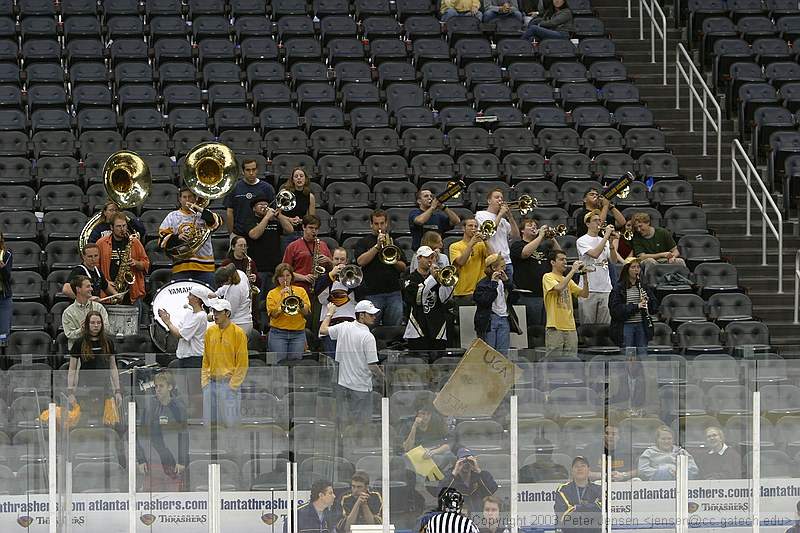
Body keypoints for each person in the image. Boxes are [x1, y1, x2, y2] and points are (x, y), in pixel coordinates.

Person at [319, 299, 385, 429]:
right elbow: (372, 366)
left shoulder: (344, 326)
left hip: (343, 385)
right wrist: (383, 376)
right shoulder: (368, 336)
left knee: (344, 425)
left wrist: (329, 313)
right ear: (362, 315)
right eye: (371, 314)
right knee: (362, 427)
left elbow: (322, 330)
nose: (374, 317)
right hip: (361, 388)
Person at [159, 186, 223, 287]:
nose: (187, 200)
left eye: (190, 197)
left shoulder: (203, 214)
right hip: (181, 267)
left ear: (195, 198)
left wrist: (199, 210)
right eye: (184, 197)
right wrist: (178, 237)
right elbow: (161, 240)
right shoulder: (172, 216)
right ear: (180, 199)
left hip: (205, 267)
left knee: (209, 300)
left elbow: (218, 222)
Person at [201, 298, 249, 434]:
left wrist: (232, 386)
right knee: (209, 425)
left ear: (227, 313)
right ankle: (212, 452)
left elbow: (242, 363)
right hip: (211, 383)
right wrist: (205, 383)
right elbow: (206, 359)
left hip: (228, 384)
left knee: (231, 424)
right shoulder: (210, 332)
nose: (215, 315)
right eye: (213, 311)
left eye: (218, 312)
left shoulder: (238, 333)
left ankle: (233, 452)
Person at [135, 371, 189, 491]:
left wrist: (182, 461)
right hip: (152, 461)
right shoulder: (150, 407)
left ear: (170, 387)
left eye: (161, 386)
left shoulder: (179, 408)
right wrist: (141, 459)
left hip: (173, 462)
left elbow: (184, 436)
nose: (158, 389)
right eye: (156, 386)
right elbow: (141, 435)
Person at [355, 209, 407, 328]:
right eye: (376, 223)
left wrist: (392, 259)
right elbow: (360, 262)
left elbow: (403, 267)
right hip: (372, 293)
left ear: (386, 223)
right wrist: (377, 247)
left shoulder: (394, 242)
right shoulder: (363, 242)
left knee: (394, 328)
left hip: (393, 292)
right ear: (371, 224)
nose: (379, 227)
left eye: (382, 223)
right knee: (370, 328)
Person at [66, 311, 123, 420]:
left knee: (107, 421)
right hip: (85, 387)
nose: (96, 326)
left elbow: (113, 367)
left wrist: (117, 391)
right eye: (92, 323)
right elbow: (72, 369)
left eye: (98, 323)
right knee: (84, 420)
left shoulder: (108, 342)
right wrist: (70, 392)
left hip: (105, 387)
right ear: (87, 324)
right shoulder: (79, 343)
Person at [282, 214, 332, 337]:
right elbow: (284, 271)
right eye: (310, 228)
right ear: (303, 227)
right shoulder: (293, 246)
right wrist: (303, 277)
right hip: (301, 290)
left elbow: (332, 269)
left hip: (320, 292)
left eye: (316, 228)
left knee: (317, 325)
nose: (313, 231)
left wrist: (328, 260)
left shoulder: (323, 245)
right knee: (304, 325)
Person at [404, 246, 455, 361]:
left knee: (438, 364)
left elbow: (444, 299)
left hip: (437, 325)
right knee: (419, 364)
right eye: (427, 257)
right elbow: (417, 298)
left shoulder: (436, 277)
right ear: (419, 258)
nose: (429, 260)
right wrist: (432, 278)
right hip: (418, 326)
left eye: (431, 257)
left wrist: (445, 283)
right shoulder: (410, 278)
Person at [510, 218, 560, 328]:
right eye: (529, 225)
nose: (533, 227)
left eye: (535, 225)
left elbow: (560, 257)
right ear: (522, 230)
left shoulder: (543, 248)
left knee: (547, 328)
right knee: (533, 328)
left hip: (545, 294)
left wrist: (552, 239)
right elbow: (526, 253)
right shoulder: (517, 245)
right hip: (528, 295)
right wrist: (541, 236)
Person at [96, 212, 150, 311]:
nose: (122, 229)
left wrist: (136, 263)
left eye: (124, 226)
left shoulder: (134, 242)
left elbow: (146, 263)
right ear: (111, 227)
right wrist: (106, 282)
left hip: (132, 293)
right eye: (118, 226)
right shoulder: (101, 243)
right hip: (109, 293)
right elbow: (96, 268)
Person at [608, 259, 659, 356]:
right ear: (627, 269)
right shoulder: (619, 288)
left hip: (641, 324)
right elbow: (615, 310)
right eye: (633, 267)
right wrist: (636, 306)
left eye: (638, 267)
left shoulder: (643, 286)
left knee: (642, 354)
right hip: (626, 326)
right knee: (627, 355)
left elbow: (654, 308)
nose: (636, 270)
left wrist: (648, 301)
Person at [576, 211, 618, 325]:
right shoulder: (581, 240)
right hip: (588, 289)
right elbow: (595, 254)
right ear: (588, 224)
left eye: (600, 220)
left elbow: (614, 261)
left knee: (604, 327)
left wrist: (611, 243)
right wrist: (605, 237)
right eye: (595, 220)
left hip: (605, 288)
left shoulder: (603, 240)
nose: (598, 223)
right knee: (588, 327)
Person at [542, 251, 588, 357]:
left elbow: (584, 294)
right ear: (553, 263)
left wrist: (585, 276)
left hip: (570, 326)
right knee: (553, 360)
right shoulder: (548, 276)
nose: (565, 262)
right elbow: (559, 288)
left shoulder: (567, 280)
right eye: (561, 259)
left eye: (566, 259)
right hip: (555, 326)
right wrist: (572, 271)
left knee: (571, 360)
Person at [473, 254, 520, 355]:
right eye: (502, 267)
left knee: (503, 353)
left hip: (504, 318)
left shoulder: (505, 281)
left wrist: (508, 282)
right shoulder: (482, 284)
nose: (505, 269)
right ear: (493, 268)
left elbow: (515, 298)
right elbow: (485, 301)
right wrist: (493, 284)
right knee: (489, 354)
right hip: (490, 320)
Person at [315, 247, 356, 357]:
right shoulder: (324, 278)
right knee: (332, 361)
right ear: (332, 260)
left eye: (342, 259)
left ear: (347, 261)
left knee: (348, 360)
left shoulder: (355, 277)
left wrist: (348, 278)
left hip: (349, 326)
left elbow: (361, 296)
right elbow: (320, 297)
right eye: (336, 259)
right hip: (329, 327)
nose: (339, 262)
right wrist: (330, 275)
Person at [266, 263, 311, 361]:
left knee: (295, 365)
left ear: (292, 276)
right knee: (279, 365)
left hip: (298, 334)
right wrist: (281, 300)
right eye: (281, 276)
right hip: (278, 334)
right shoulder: (272, 293)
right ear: (277, 278)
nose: (285, 279)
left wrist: (298, 301)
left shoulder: (301, 291)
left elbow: (306, 312)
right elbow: (273, 314)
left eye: (287, 275)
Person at [157, 285, 210, 368]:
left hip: (195, 358)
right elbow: (177, 331)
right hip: (185, 356)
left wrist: (167, 322)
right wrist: (168, 321)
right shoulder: (189, 313)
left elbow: (180, 334)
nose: (187, 297)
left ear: (196, 299)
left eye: (190, 295)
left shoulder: (200, 316)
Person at [438, 448, 499, 518]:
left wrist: (478, 470)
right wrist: (455, 471)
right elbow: (440, 493)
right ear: (457, 461)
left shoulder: (481, 476)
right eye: (463, 461)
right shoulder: (449, 477)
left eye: (469, 461)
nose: (466, 464)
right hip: (458, 518)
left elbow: (492, 490)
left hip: (479, 517)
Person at [223, 157, 275, 237]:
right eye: (248, 170)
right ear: (242, 171)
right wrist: (231, 234)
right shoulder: (234, 187)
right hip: (239, 233)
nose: (251, 173)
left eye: (253, 169)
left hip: (261, 233)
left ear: (257, 170)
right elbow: (230, 212)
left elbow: (272, 211)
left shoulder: (267, 188)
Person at [475, 189, 520, 279]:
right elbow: (488, 232)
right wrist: (501, 214)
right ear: (489, 201)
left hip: (506, 261)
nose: (500, 200)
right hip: (492, 260)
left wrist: (510, 217)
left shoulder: (503, 220)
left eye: (501, 198)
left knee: (507, 290)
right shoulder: (481, 215)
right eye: (497, 197)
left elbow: (516, 235)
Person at [449, 218, 493, 312]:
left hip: (481, 292)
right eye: (470, 226)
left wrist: (485, 240)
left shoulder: (481, 245)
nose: (473, 228)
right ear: (463, 228)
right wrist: (471, 244)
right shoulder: (455, 246)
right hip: (463, 293)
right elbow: (461, 262)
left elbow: (494, 258)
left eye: (476, 226)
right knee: (465, 325)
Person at [553, 456, 602, 533]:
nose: (579, 468)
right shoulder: (563, 489)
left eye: (583, 466)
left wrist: (576, 508)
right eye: (576, 466)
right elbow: (563, 515)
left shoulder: (599, 489)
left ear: (589, 470)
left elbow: (604, 511)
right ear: (572, 471)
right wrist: (592, 508)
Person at [245, 196, 284, 290]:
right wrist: (266, 217)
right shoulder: (249, 221)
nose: (264, 206)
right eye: (260, 204)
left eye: (266, 204)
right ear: (254, 208)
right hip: (258, 268)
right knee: (259, 299)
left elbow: (289, 230)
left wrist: (278, 215)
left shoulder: (274, 222)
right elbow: (254, 235)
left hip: (274, 268)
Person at [221, 235, 260, 329]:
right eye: (240, 246)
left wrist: (255, 278)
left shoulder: (249, 262)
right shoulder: (227, 263)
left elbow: (259, 283)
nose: (243, 249)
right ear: (233, 247)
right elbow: (221, 282)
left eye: (245, 246)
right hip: (232, 297)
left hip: (248, 298)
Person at [400, 397, 454, 463]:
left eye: (428, 414)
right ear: (417, 414)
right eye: (423, 413)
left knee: (449, 455)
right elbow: (407, 448)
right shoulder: (407, 424)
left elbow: (448, 445)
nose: (426, 417)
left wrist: (433, 452)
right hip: (415, 455)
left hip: (434, 454)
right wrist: (415, 426)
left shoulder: (436, 422)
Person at [62, 275, 110, 350]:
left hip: (99, 349)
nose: (91, 289)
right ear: (78, 289)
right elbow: (70, 334)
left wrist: (92, 328)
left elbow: (107, 328)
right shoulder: (68, 312)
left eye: (91, 286)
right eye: (88, 286)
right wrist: (82, 330)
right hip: (78, 351)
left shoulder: (99, 307)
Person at [278, 167, 316, 254]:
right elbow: (277, 214)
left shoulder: (310, 197)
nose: (299, 178)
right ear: (293, 180)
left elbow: (311, 219)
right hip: (286, 233)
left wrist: (301, 221)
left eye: (301, 176)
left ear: (305, 179)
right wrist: (289, 220)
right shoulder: (285, 193)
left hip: (302, 232)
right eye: (296, 176)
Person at [211, 263, 253, 336]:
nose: (222, 285)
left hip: (239, 325)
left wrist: (212, 317)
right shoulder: (239, 273)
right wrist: (216, 294)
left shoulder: (235, 291)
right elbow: (226, 287)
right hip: (245, 322)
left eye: (223, 282)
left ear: (229, 279)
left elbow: (228, 312)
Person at [0, 231, 12, 338]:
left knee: (3, 333)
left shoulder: (7, 255)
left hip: (3, 298)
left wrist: (2, 268)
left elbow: (7, 277)